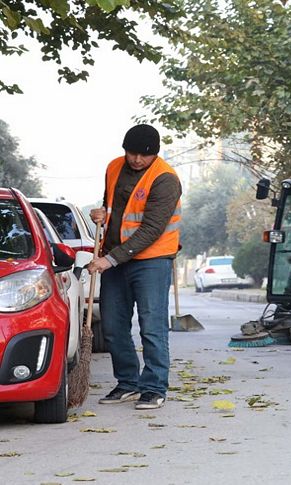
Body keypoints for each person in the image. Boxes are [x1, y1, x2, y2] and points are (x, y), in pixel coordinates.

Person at [87, 124, 182, 410]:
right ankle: (128, 382)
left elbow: (151, 229)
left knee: (152, 326)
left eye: (144, 155)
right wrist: (100, 213)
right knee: (113, 325)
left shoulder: (165, 179)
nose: (137, 159)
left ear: (155, 154)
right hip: (115, 256)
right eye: (132, 153)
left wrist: (109, 259)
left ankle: (153, 387)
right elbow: (113, 205)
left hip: (152, 260)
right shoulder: (114, 167)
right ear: (124, 150)